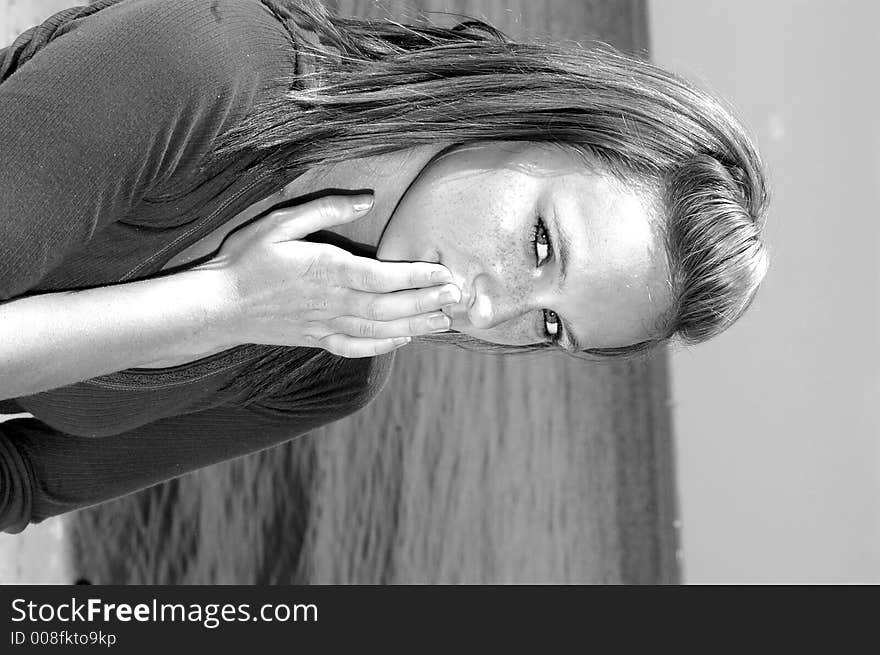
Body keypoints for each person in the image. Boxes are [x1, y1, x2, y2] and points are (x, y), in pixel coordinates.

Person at [0, 0, 769, 532]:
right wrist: (225, 305)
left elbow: (26, 482)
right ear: (537, 113)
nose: (484, 312)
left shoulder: (327, 370)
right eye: (541, 243)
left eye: (548, 324)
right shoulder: (208, 63)